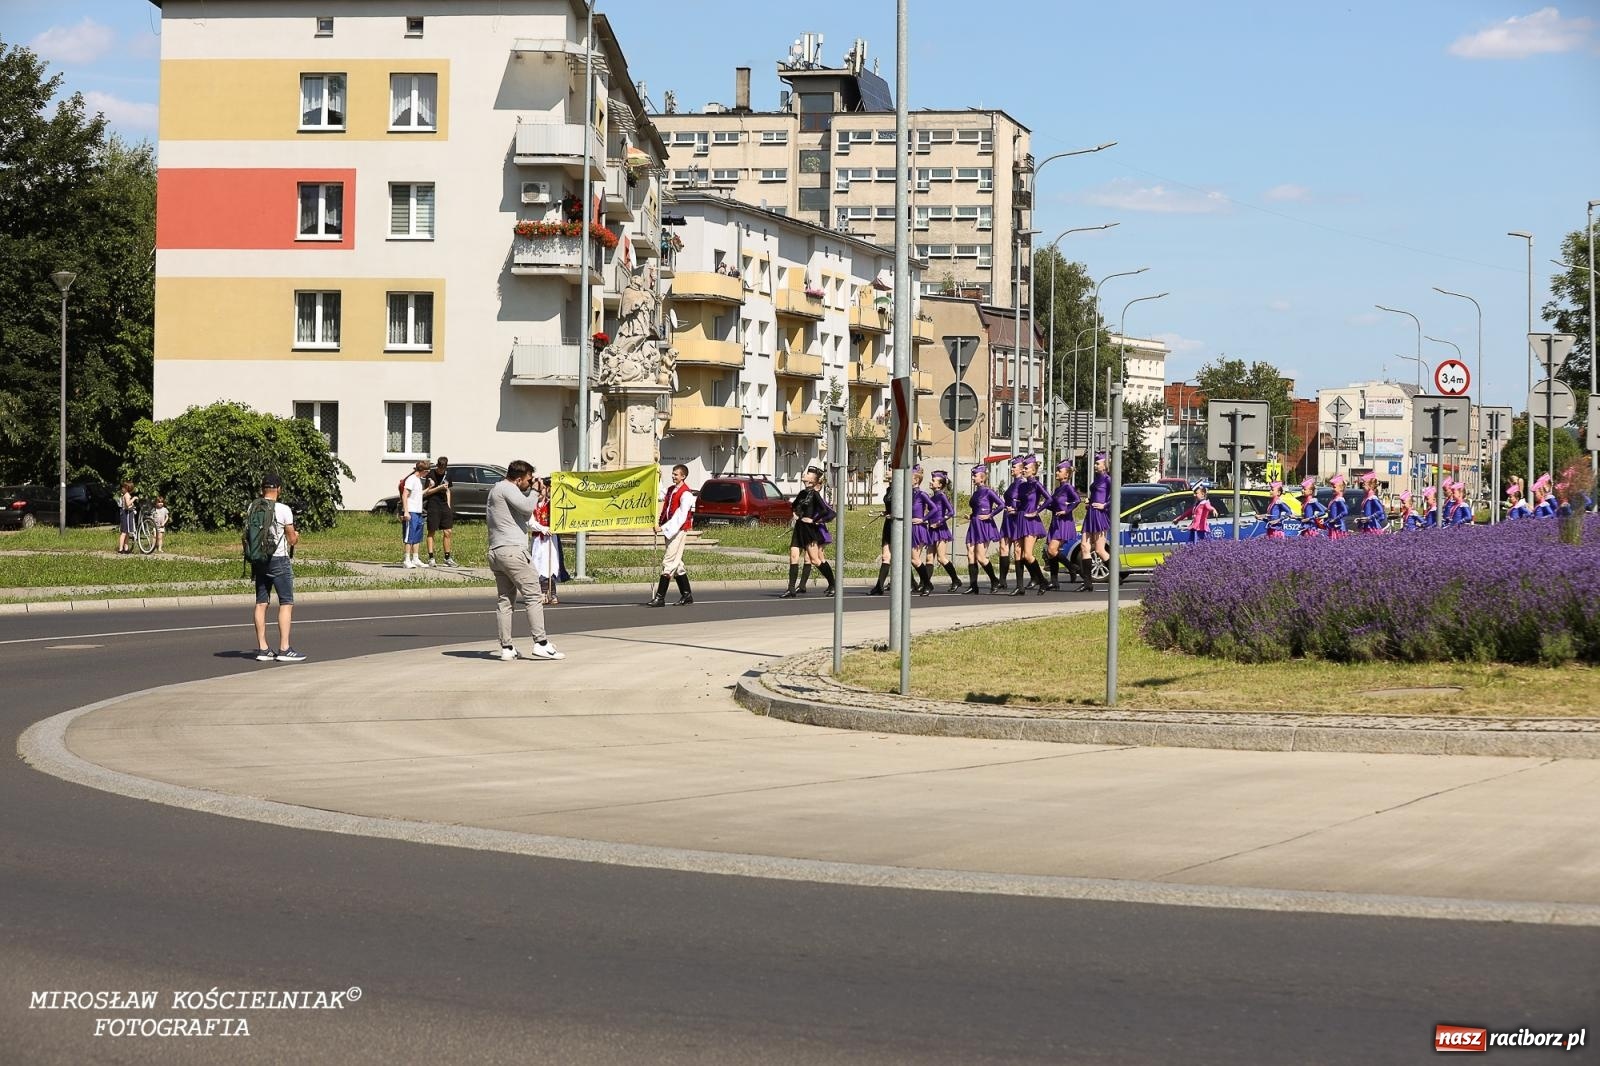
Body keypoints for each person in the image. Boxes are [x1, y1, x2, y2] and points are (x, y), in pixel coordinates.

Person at [487, 460, 564, 661]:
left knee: (505, 601)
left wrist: (533, 491)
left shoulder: (497, 490)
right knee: (533, 596)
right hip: (513, 552)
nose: (530, 483)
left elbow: (523, 511)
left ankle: (507, 647)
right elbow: (527, 505)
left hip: (497, 552)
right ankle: (541, 643)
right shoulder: (507, 488)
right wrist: (536, 492)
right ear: (518, 478)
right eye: (528, 480)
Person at [246, 473, 304, 663]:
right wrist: (296, 535)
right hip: (278, 559)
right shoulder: (284, 509)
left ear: (262, 489)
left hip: (259, 560)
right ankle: (284, 649)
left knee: (261, 603)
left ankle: (263, 648)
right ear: (279, 489)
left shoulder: (252, 507)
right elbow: (291, 538)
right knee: (286, 602)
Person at [782, 467, 835, 598]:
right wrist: (795, 514)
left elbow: (824, 510)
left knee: (815, 560)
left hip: (809, 530)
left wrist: (814, 520)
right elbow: (793, 505)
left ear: (812, 480)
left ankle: (833, 584)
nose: (804, 475)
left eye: (808, 474)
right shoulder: (802, 493)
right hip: (799, 528)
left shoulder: (815, 494)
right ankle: (791, 589)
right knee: (793, 557)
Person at [650, 464, 698, 606]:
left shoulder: (686, 494)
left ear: (683, 476)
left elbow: (680, 516)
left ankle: (660, 597)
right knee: (678, 564)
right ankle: (687, 594)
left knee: (669, 561)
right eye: (672, 474)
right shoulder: (672, 490)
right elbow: (660, 493)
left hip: (678, 530)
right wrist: (656, 477)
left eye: (676, 474)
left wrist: (663, 528)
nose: (673, 476)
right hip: (670, 530)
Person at [1009, 456, 1049, 596]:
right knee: (1017, 553)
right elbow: (1020, 502)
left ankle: (1042, 581)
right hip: (1020, 518)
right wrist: (1014, 509)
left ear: (1033, 471)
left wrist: (1036, 511)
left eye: (1026, 468)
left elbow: (1049, 499)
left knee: (1028, 554)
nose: (1024, 470)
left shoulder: (1036, 484)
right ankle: (1020, 587)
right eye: (1023, 468)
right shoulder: (1022, 485)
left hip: (1031, 521)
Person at [963, 465, 1005, 594]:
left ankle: (994, 580)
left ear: (982, 478)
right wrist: (970, 516)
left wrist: (990, 514)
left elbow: (1001, 505)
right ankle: (973, 585)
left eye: (975, 476)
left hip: (984, 525)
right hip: (974, 524)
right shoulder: (976, 492)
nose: (972, 478)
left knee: (981, 557)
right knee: (970, 554)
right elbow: (976, 509)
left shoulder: (988, 491)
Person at [1043, 460, 1082, 589]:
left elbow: (1077, 500)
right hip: (1056, 522)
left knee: (1052, 550)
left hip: (1064, 522)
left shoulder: (1068, 487)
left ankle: (1072, 567)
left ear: (1066, 475)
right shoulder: (1058, 488)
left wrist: (1066, 510)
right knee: (1051, 553)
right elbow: (1054, 505)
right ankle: (1054, 581)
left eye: (1060, 471)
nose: (1057, 473)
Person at [1079, 453, 1112, 592]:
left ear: (1105, 465)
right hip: (1090, 514)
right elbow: (1094, 495)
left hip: (1100, 515)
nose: (1095, 465)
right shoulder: (1097, 479)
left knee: (1099, 550)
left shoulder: (1108, 479)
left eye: (1098, 463)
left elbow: (1115, 496)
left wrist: (1104, 505)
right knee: (1084, 547)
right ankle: (1087, 583)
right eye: (1095, 463)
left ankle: (1116, 575)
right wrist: (1089, 502)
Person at [527, 477, 562, 605]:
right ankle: (542, 593)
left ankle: (552, 594)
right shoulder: (531, 506)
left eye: (542, 490)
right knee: (539, 564)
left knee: (551, 564)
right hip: (538, 540)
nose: (540, 493)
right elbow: (530, 523)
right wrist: (542, 528)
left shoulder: (552, 505)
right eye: (538, 491)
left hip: (551, 539)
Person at [927, 470, 962, 591]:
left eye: (933, 480)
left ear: (940, 485)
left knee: (941, 558)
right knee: (929, 558)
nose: (930, 482)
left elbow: (951, 512)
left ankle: (955, 579)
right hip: (931, 529)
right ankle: (926, 583)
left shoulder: (942, 495)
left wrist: (939, 522)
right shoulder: (932, 496)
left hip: (940, 529)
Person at [998, 455, 1027, 590]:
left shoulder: (1023, 484)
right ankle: (1002, 580)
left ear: (1021, 470)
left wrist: (1016, 509)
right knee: (1003, 546)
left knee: (1018, 550)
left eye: (1014, 467)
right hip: (1007, 517)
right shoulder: (1012, 483)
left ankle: (1022, 582)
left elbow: (1027, 502)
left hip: (1016, 518)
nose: (1011, 469)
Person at [424, 456, 457, 567]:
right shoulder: (431, 475)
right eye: (440, 468)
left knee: (448, 531)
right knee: (431, 531)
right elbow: (427, 493)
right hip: (433, 504)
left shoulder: (448, 475)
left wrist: (448, 505)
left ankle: (447, 557)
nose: (441, 471)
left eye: (443, 469)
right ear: (437, 466)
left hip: (444, 505)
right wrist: (438, 488)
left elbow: (448, 491)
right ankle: (431, 558)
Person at [909, 466, 936, 596]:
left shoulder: (922, 494)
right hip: (909, 527)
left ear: (916, 480)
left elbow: (934, 509)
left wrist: (923, 519)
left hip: (918, 528)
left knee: (915, 559)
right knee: (910, 559)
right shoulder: (908, 494)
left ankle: (927, 583)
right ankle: (923, 583)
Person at [868, 470, 895, 595]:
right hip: (888, 524)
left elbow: (906, 507)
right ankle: (879, 586)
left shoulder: (901, 488)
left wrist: (894, 515)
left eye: (890, 469)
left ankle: (918, 582)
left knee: (900, 557)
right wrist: (885, 512)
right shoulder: (889, 489)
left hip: (897, 525)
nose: (887, 471)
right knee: (886, 556)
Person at [400, 458, 428, 567]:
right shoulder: (411, 479)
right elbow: (405, 494)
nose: (427, 473)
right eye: (427, 471)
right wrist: (406, 512)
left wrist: (429, 488)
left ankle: (415, 558)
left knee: (417, 535)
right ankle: (407, 559)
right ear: (423, 471)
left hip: (418, 511)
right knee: (409, 536)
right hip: (410, 511)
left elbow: (418, 494)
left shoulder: (418, 480)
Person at [1325, 474, 1349, 539]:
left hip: (1338, 527)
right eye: (1332, 487)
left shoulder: (1339, 500)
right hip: (1333, 526)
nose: (1332, 489)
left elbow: (1345, 512)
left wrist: (1335, 519)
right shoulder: (1334, 499)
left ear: (1341, 488)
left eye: (1334, 487)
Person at [116, 481, 136, 554]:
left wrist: (132, 505)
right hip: (126, 514)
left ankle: (126, 548)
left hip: (126, 514)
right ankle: (121, 548)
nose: (122, 488)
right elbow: (128, 504)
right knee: (124, 532)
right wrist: (134, 499)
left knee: (126, 532)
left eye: (123, 487)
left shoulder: (125, 495)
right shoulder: (127, 495)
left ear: (127, 488)